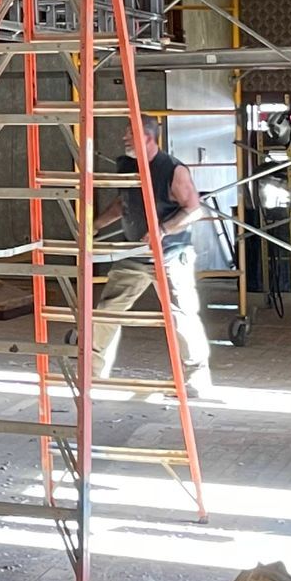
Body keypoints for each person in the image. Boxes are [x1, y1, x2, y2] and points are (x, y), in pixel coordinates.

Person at [92, 116, 215, 398]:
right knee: (107, 311)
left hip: (171, 254)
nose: (124, 139)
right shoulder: (126, 166)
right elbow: (123, 202)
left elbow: (194, 209)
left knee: (182, 316)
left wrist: (162, 230)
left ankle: (196, 377)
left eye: (129, 134)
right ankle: (92, 375)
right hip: (133, 252)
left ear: (148, 137)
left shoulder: (172, 170)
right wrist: (95, 226)